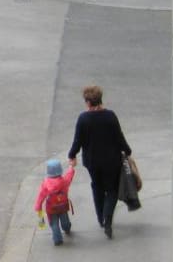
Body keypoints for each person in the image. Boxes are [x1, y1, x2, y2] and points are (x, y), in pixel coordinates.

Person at [67, 85, 132, 239]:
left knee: (97, 186)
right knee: (112, 189)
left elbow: (78, 140)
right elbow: (119, 136)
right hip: (112, 161)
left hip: (92, 162)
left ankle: (100, 218)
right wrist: (127, 151)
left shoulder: (83, 119)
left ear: (88, 102)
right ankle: (108, 218)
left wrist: (72, 155)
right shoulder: (110, 116)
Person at [35, 159, 75, 246]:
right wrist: (71, 166)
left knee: (54, 224)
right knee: (65, 219)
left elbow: (41, 196)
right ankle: (67, 228)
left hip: (51, 208)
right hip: (63, 206)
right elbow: (69, 175)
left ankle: (57, 239)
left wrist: (38, 207)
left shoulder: (45, 183)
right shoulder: (64, 181)